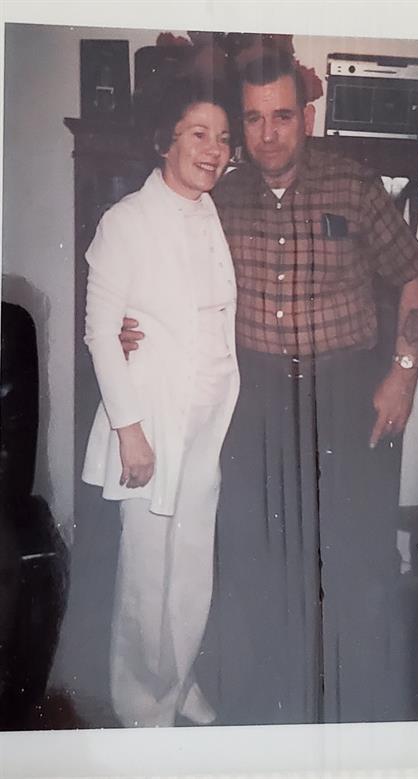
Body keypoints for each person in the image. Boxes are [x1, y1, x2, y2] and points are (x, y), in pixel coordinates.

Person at [121, 52, 418, 725]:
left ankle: (365, 721)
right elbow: (167, 280)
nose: (268, 134)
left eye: (282, 116)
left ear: (307, 117)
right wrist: (128, 327)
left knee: (356, 566)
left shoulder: (351, 187)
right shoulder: (219, 198)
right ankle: (266, 719)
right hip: (255, 399)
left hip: (346, 395)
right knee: (254, 566)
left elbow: (414, 275)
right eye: (254, 119)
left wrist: (402, 377)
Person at [82, 77, 239, 728]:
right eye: (198, 134)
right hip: (149, 424)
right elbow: (99, 329)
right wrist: (130, 430)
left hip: (205, 424)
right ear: (164, 140)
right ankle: (142, 703)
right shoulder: (126, 221)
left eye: (223, 138)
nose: (215, 149)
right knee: (149, 574)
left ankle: (178, 680)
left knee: (191, 566)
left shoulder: (209, 212)